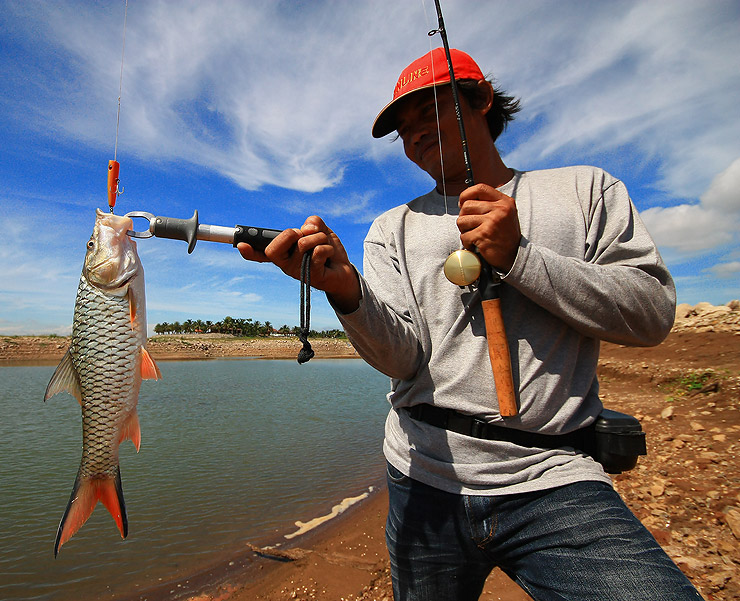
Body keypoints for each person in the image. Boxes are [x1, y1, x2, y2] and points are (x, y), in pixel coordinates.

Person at [238, 48, 703, 601]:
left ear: (480, 101)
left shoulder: (585, 191)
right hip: (421, 475)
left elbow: (651, 314)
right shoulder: (393, 228)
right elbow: (402, 359)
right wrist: (346, 290)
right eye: (402, 130)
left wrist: (519, 256)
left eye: (427, 113)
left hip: (555, 475)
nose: (413, 137)